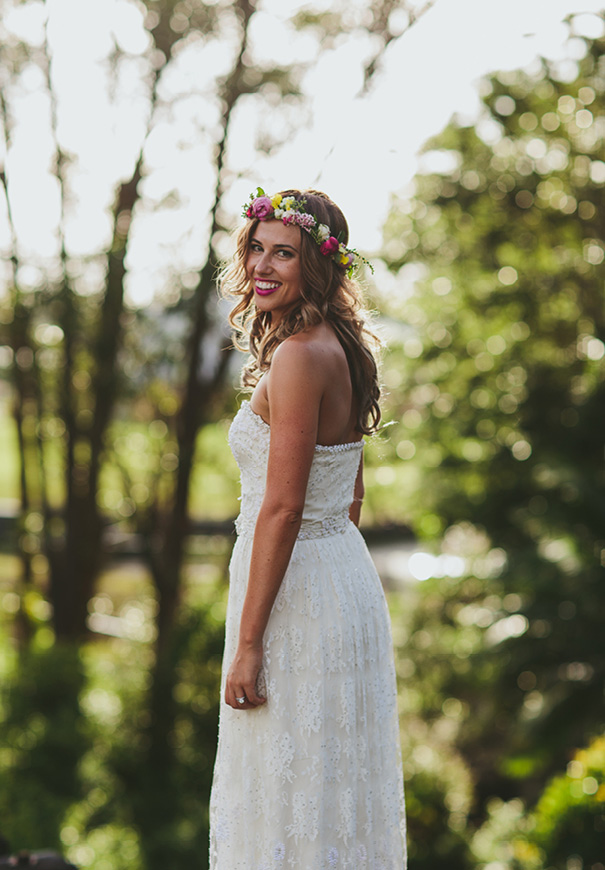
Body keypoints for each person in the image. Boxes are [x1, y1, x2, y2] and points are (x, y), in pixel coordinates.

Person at [209, 188, 406, 869]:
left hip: (296, 594)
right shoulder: (343, 349)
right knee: (328, 791)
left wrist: (250, 641)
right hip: (339, 578)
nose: (263, 265)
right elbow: (349, 491)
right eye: (256, 248)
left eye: (283, 253)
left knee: (287, 790)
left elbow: (282, 507)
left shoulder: (297, 356)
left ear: (317, 265)